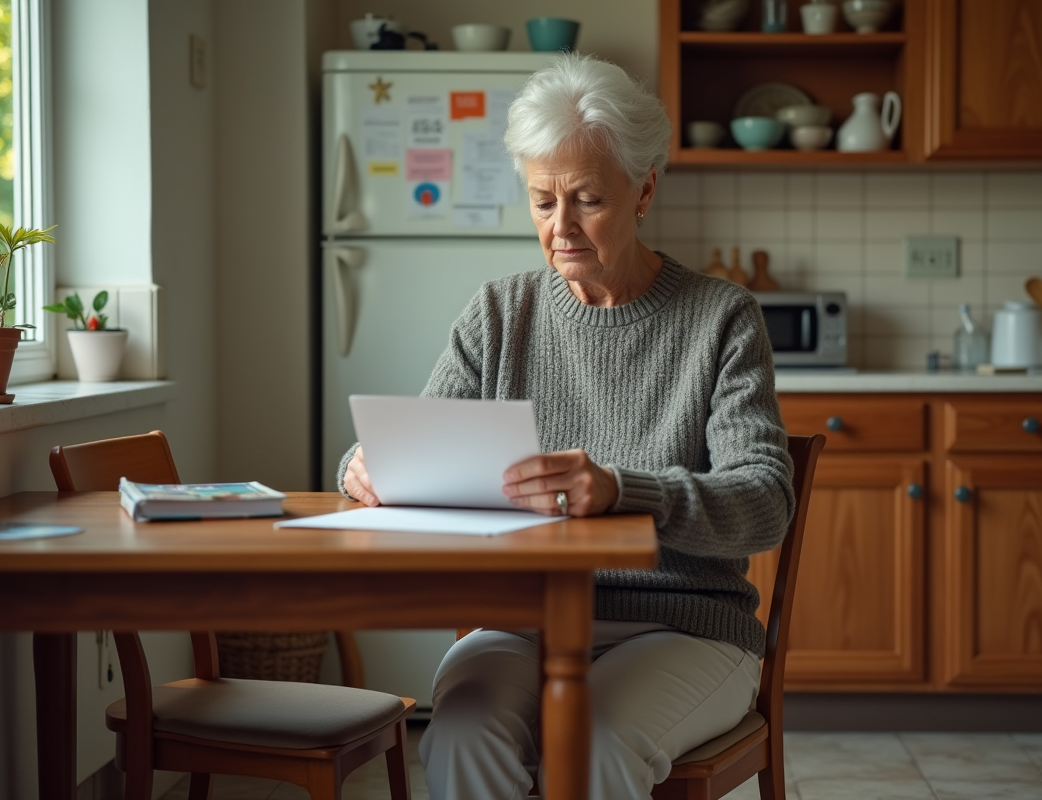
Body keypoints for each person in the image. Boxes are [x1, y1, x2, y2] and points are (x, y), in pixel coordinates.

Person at [336, 52, 794, 800]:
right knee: (458, 732)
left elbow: (764, 502)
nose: (561, 228)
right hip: (520, 619)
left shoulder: (721, 319)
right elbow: (414, 444)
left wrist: (622, 490)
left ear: (644, 190)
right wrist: (362, 465)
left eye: (586, 199)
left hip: (682, 623)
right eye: (543, 201)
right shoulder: (498, 313)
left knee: (592, 746)